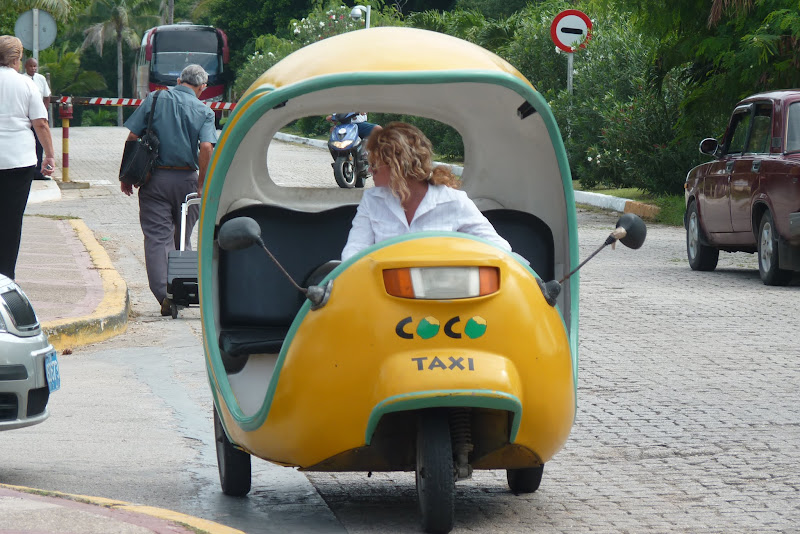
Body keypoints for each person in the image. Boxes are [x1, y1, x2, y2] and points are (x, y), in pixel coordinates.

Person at [121, 64, 216, 316]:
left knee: (157, 238)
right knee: (181, 238)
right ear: (202, 87)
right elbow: (206, 147)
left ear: (178, 79)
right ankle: (182, 290)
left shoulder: (154, 99)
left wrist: (127, 176)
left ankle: (165, 295)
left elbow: (132, 137)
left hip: (154, 180)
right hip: (187, 182)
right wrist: (202, 185)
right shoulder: (204, 110)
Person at [341, 122, 511, 261]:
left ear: (398, 166)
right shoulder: (372, 200)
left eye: (375, 164)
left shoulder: (453, 201)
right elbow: (354, 251)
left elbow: (499, 248)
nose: (370, 171)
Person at [0, 36, 56, 280]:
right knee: (11, 221)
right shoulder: (26, 84)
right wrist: (49, 156)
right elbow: (41, 123)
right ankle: (5, 278)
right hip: (18, 162)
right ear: (17, 58)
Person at [24, 58, 51, 180]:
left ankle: (38, 171)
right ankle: (27, 172)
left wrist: (43, 111)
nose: (33, 68)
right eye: (31, 66)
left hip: (38, 118)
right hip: (26, 119)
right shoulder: (22, 79)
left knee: (40, 145)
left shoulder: (41, 79)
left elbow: (47, 96)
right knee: (28, 144)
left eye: (35, 66)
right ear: (26, 67)